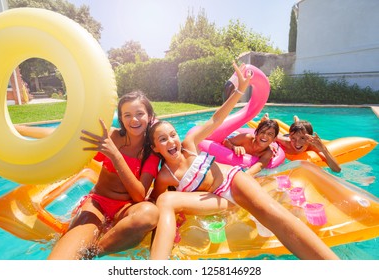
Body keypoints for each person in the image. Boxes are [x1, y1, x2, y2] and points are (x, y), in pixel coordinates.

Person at [148, 62, 339, 260]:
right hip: (217, 200)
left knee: (277, 218)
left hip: (233, 181)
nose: (171, 141)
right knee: (164, 200)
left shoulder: (189, 145)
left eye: (172, 135)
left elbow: (216, 120)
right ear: (155, 148)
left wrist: (239, 91)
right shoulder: (164, 177)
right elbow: (156, 204)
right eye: (163, 139)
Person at [48, 91, 160, 259]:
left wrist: (115, 156)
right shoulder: (111, 136)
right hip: (98, 203)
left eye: (140, 114)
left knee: (149, 213)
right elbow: (72, 143)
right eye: (127, 115)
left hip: (126, 209)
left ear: (150, 116)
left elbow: (139, 196)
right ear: (121, 118)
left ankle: (93, 252)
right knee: (63, 258)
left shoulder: (151, 153)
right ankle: (79, 248)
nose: (134, 120)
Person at [262, 114, 341, 173]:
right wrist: (265, 122)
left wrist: (323, 149)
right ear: (290, 137)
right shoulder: (286, 142)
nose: (297, 143)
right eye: (293, 139)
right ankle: (297, 122)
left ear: (309, 138)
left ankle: (297, 121)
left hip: (296, 134)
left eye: (302, 138)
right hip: (286, 136)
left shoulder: (312, 147)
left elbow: (337, 170)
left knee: (299, 130)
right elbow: (272, 136)